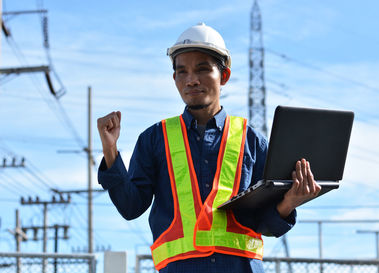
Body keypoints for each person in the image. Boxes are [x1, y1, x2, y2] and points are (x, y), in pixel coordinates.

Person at [97, 23, 321, 273]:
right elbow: (130, 207)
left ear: (224, 76)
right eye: (182, 72)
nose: (191, 80)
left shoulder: (253, 143)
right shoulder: (154, 140)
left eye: (202, 69)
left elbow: (267, 223)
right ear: (174, 79)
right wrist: (110, 151)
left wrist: (289, 201)